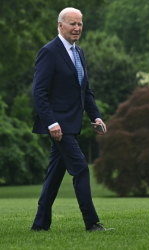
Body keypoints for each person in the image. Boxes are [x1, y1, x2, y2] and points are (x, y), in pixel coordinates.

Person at [31, 7, 113, 232]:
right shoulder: (49, 51)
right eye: (72, 24)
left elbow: (85, 90)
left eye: (80, 24)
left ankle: (39, 225)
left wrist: (96, 116)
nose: (77, 28)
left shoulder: (79, 53)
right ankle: (92, 223)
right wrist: (51, 122)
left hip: (72, 124)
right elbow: (39, 92)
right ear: (60, 25)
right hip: (58, 126)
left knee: (54, 177)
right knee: (81, 168)